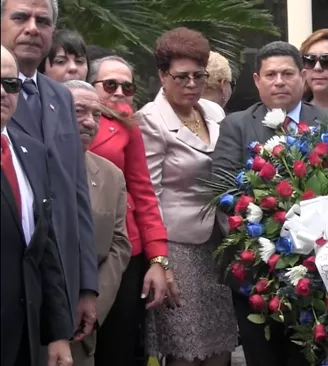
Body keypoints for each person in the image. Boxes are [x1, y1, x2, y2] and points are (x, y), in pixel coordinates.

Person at [211, 40, 328, 366]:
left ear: (302, 76)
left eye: (287, 73)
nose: (279, 81)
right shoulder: (236, 125)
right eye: (270, 75)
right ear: (257, 80)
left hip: (319, 272)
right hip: (258, 272)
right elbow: (224, 192)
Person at [137, 27, 237, 366]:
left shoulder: (215, 113)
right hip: (176, 249)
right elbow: (148, 192)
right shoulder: (151, 120)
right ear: (163, 75)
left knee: (221, 346)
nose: (192, 84)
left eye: (199, 75)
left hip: (218, 245)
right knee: (186, 350)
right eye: (181, 77)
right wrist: (159, 261)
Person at [1, 0, 98, 343]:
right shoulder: (3, 97)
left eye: (42, 20)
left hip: (61, 284)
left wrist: (87, 285)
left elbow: (77, 195)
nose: (31, 27)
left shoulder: (60, 95)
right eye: (20, 17)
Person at [87, 55, 177, 366]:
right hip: (77, 244)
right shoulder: (61, 118)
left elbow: (143, 192)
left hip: (124, 250)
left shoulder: (128, 126)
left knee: (118, 345)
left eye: (128, 87)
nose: (120, 93)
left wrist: (158, 260)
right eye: (110, 84)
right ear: (91, 84)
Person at [1, 45, 73, 366]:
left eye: (10, 83)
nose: (3, 92)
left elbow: (44, 247)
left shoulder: (30, 150)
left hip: (23, 337)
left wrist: (57, 333)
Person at [64, 79, 132, 366]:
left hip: (81, 328)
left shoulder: (111, 175)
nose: (89, 122)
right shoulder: (29, 166)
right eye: (79, 111)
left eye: (96, 115)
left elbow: (119, 243)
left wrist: (92, 302)